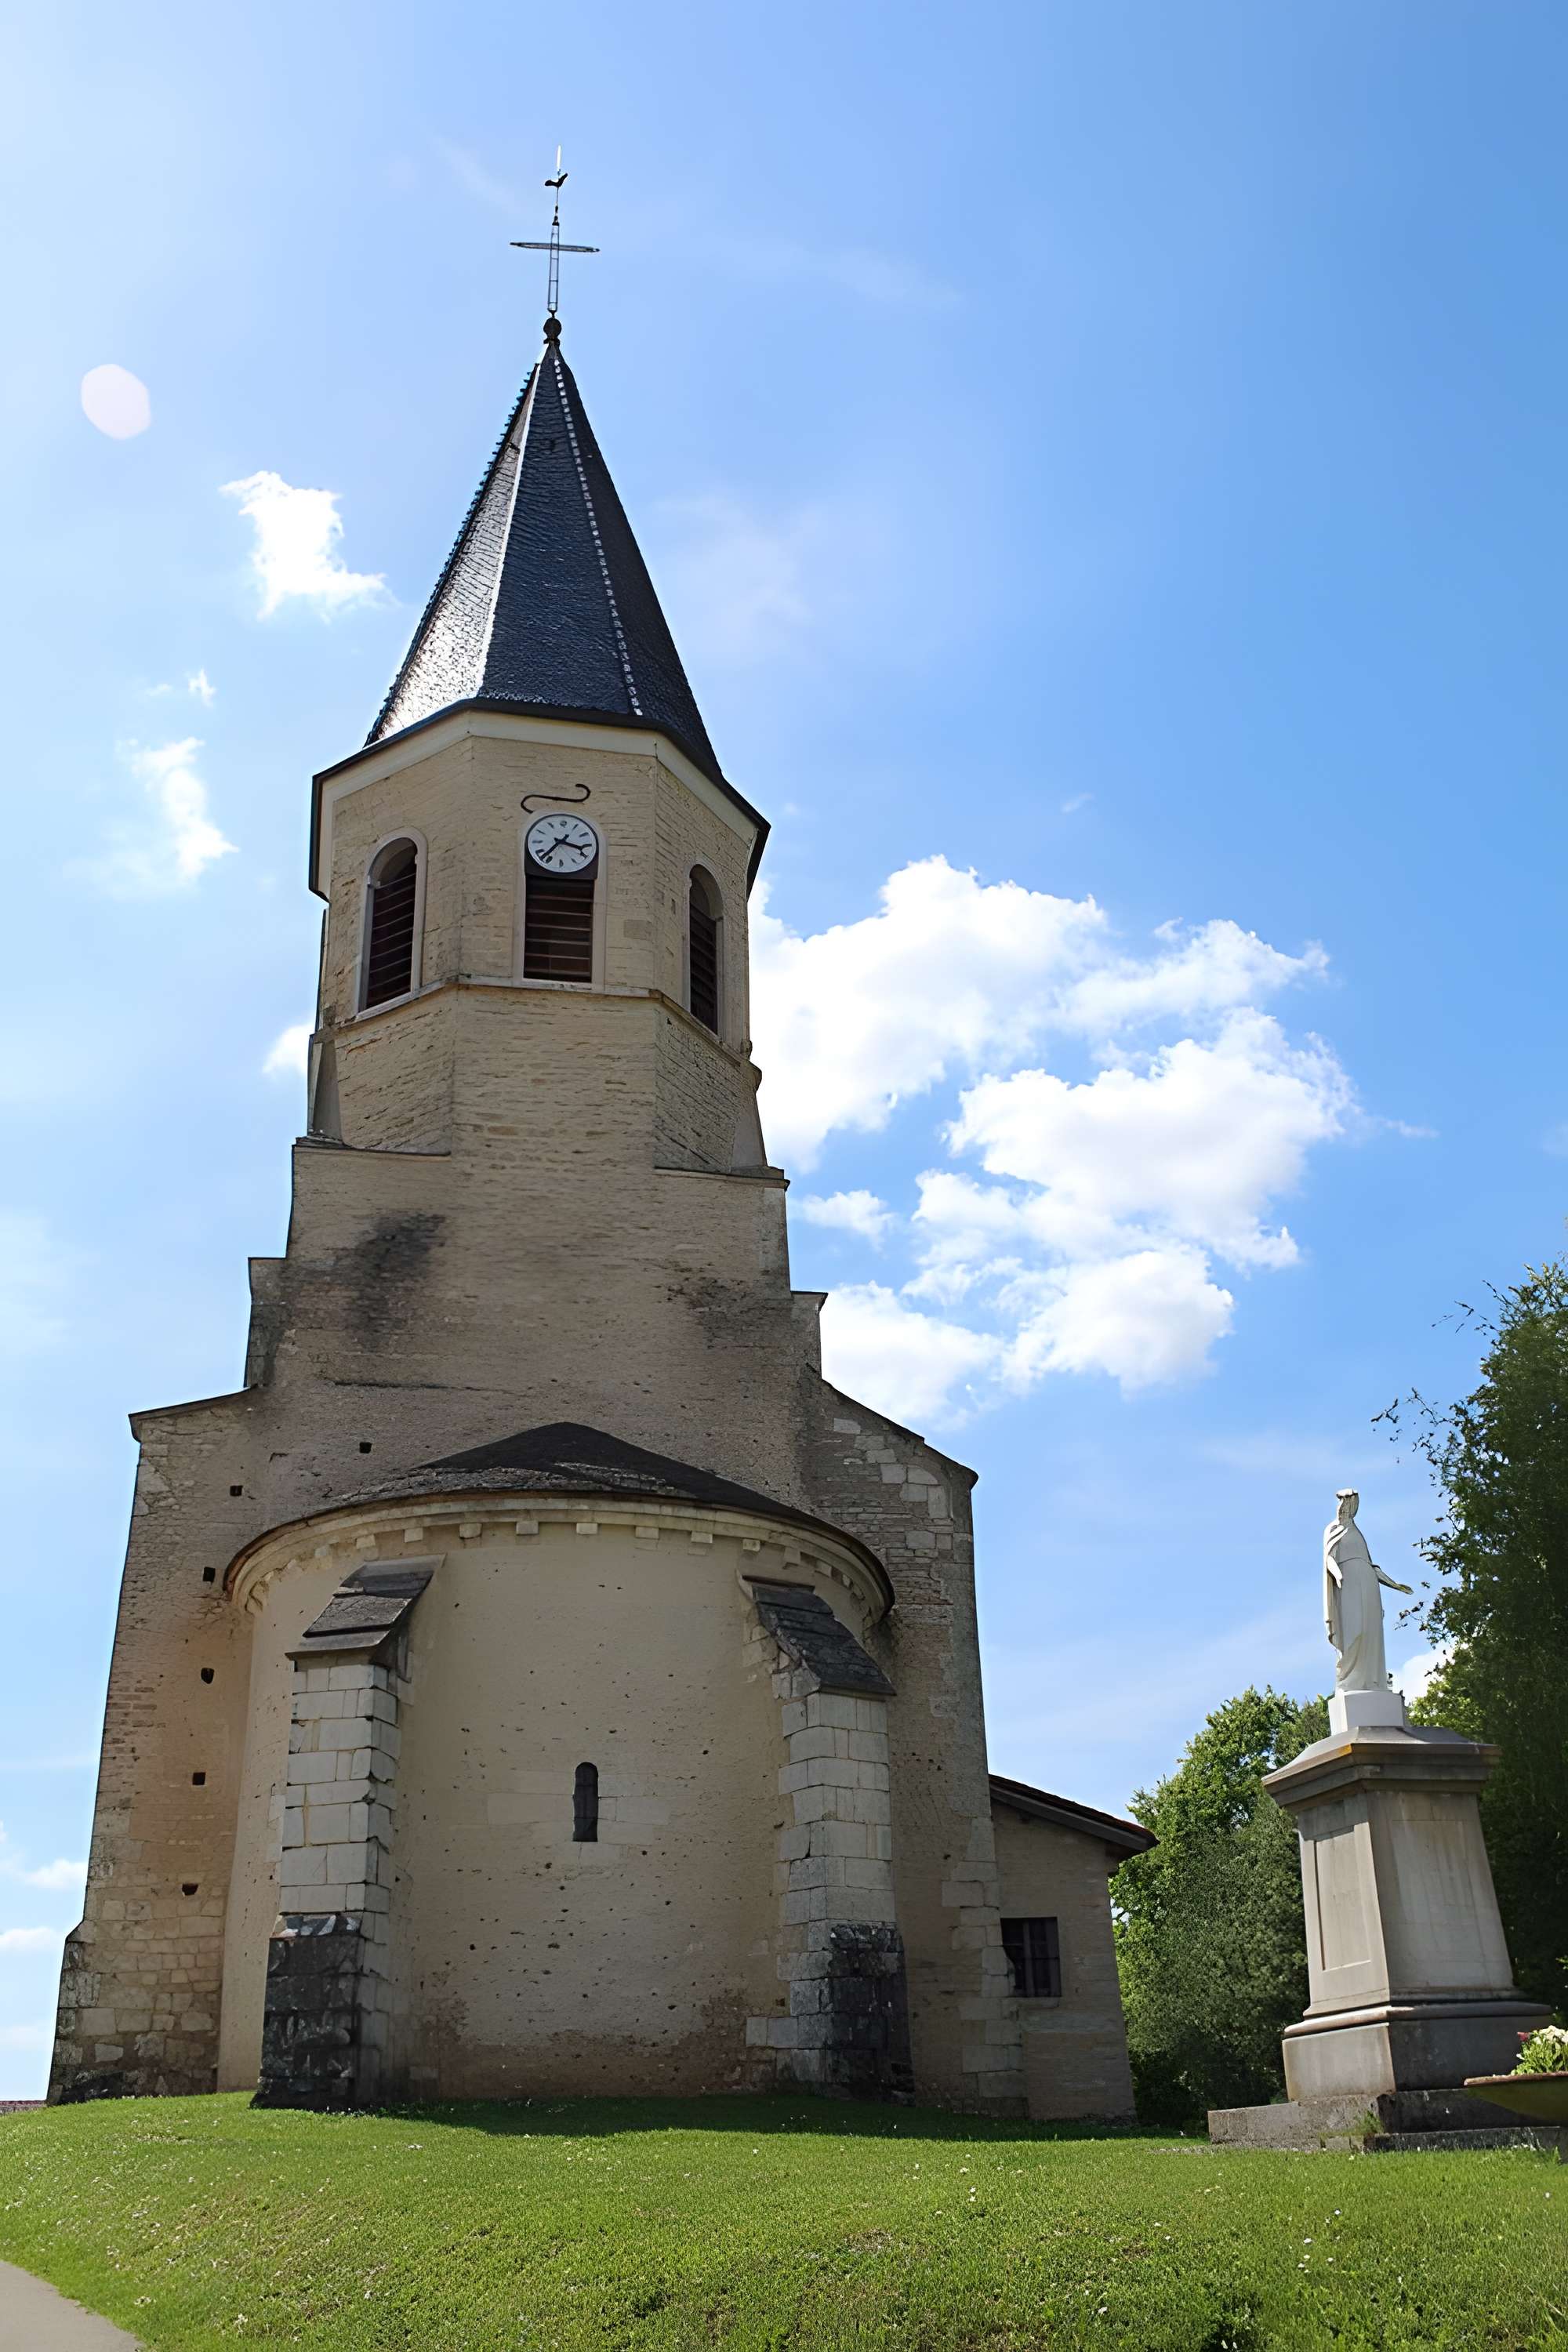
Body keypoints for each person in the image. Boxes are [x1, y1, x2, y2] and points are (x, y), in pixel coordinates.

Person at [1323, 1489, 1412, 1694]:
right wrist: (1337, 1575)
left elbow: (1372, 1566)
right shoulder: (1332, 1529)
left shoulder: (1357, 1532)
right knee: (1354, 1630)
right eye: (1343, 1503)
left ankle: (1373, 1680)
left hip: (1369, 1585)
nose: (1344, 1508)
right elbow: (1329, 1558)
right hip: (1348, 1585)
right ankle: (1349, 1681)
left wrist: (1395, 1584)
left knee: (1370, 1631)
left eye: (1349, 1503)